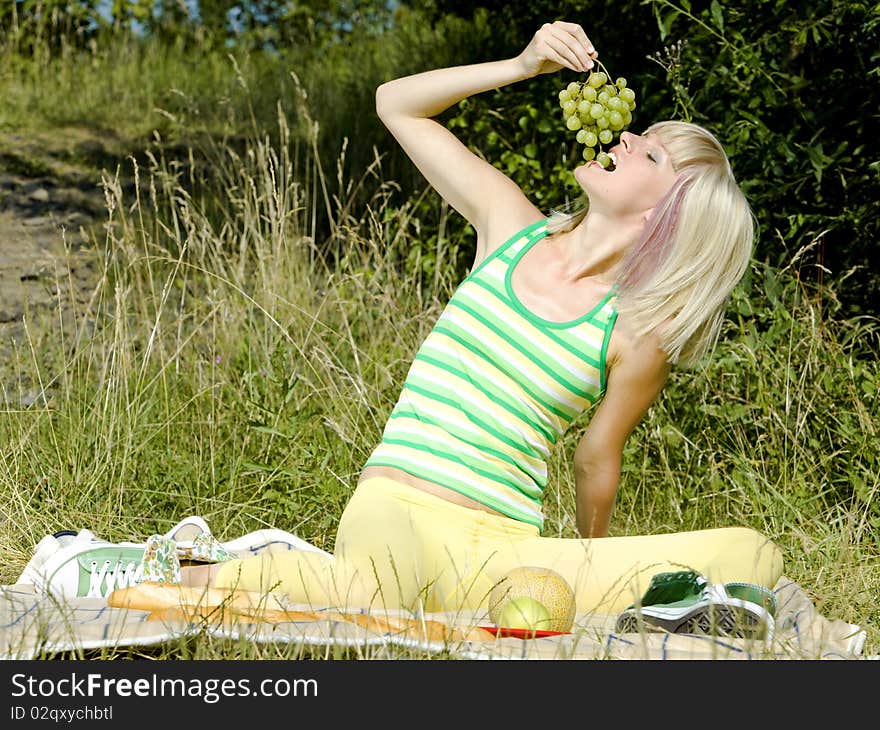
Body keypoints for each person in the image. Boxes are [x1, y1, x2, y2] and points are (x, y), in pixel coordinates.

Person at [35, 21, 783, 618]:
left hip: (496, 548)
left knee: (755, 555)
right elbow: (397, 102)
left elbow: (596, 462)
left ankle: (288, 573)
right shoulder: (509, 225)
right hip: (395, 509)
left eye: (646, 149)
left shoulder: (634, 334)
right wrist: (522, 66)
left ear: (663, 212)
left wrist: (585, 566)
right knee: (380, 589)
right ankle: (163, 566)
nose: (622, 138)